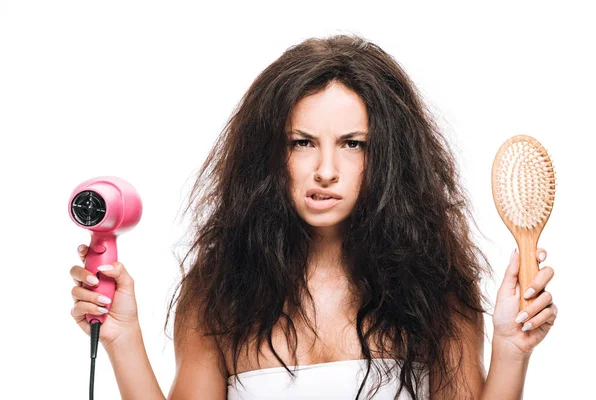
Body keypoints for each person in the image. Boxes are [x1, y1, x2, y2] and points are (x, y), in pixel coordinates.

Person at [69, 34, 558, 399]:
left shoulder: (436, 288)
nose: (326, 170)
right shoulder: (221, 290)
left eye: (352, 144)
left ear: (387, 157)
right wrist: (123, 337)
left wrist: (512, 351)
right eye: (302, 143)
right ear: (269, 152)